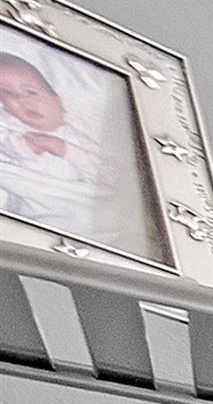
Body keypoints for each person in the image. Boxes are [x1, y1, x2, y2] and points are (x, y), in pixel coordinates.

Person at [0, 50, 148, 257]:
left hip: (79, 203)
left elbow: (103, 172)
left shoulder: (76, 137)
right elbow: (8, 150)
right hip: (35, 203)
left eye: (31, 92)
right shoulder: (11, 128)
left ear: (58, 103)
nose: (20, 101)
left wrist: (66, 150)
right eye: (5, 94)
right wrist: (25, 148)